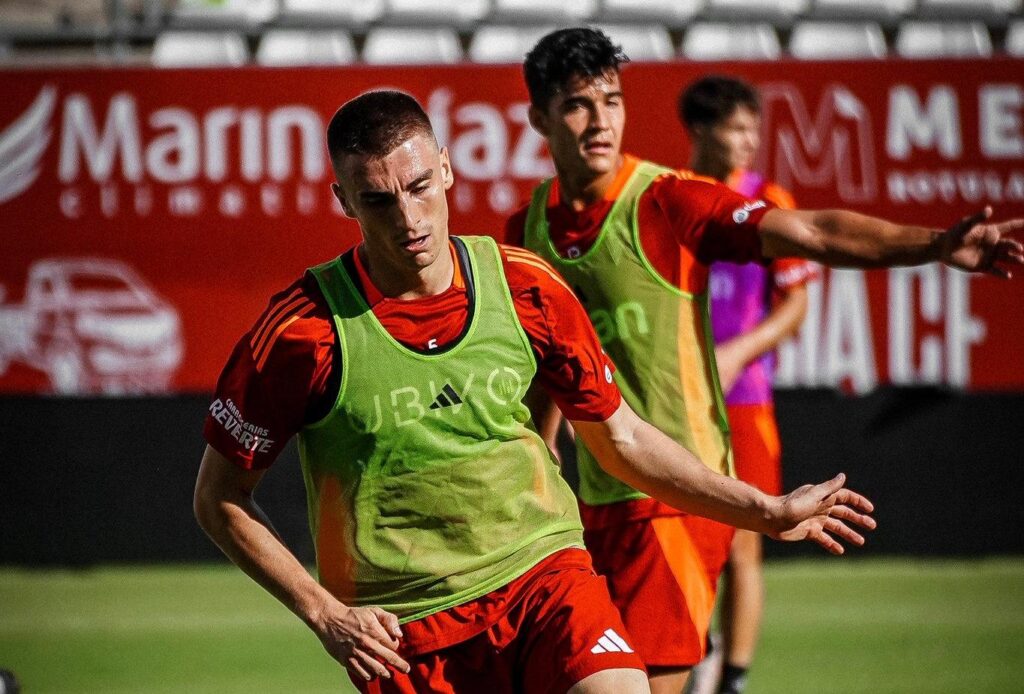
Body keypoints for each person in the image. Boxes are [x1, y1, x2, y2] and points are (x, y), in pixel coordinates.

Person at [193, 89, 877, 694]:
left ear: (449, 170)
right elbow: (220, 498)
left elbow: (623, 438)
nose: (409, 217)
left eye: (421, 186)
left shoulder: (526, 285)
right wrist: (326, 614)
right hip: (407, 631)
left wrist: (763, 508)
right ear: (343, 199)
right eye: (378, 199)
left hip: (545, 581)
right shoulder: (301, 333)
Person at [506, 27, 1022, 694]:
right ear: (538, 117)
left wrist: (934, 245)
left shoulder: (667, 201)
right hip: (595, 503)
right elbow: (550, 361)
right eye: (578, 103)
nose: (601, 119)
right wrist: (540, 473)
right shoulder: (528, 230)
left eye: (612, 99)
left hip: (676, 500)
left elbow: (814, 231)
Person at [679, 75, 816, 694]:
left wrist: (740, 351)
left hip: (745, 401)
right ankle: (693, 654)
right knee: (681, 540)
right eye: (736, 128)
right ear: (701, 132)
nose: (748, 141)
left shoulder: (770, 199)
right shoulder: (672, 197)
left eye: (753, 129)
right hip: (676, 402)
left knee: (744, 545)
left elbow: (795, 304)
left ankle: (731, 678)